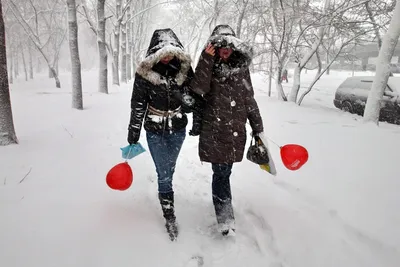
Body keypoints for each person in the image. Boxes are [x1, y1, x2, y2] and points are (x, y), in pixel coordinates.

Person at [189, 25, 264, 236]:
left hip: (235, 132)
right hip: (214, 130)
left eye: (229, 46)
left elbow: (249, 99)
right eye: (220, 45)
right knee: (221, 173)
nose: (225, 49)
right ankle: (224, 217)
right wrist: (206, 59)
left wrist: (258, 128)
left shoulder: (241, 69)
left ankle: (223, 207)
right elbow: (198, 89)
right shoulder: (208, 65)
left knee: (225, 173)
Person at [127, 28, 198, 241]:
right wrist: (133, 132)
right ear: (155, 53)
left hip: (177, 129)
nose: (167, 56)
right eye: (163, 53)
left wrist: (187, 102)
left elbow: (193, 99)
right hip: (155, 130)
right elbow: (138, 104)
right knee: (164, 172)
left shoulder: (183, 71)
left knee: (169, 168)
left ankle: (165, 193)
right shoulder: (145, 73)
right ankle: (169, 215)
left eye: (171, 52)